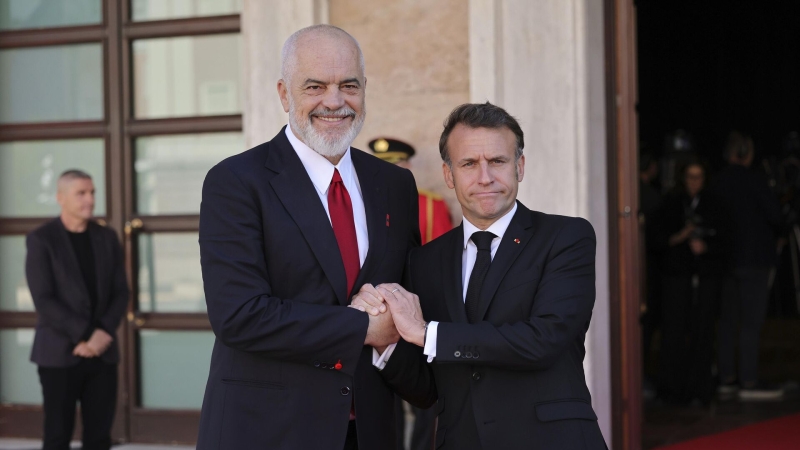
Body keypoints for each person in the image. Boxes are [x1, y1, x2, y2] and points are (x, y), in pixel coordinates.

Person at [196, 25, 420, 450]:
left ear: (365, 90)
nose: (334, 101)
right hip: (269, 432)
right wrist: (361, 327)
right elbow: (239, 315)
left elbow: (407, 297)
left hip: (370, 430)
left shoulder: (394, 184)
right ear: (284, 94)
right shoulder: (236, 182)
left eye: (348, 85)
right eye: (315, 86)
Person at [353, 102, 607, 449]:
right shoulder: (425, 261)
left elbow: (544, 339)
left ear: (519, 166)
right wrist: (385, 341)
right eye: (469, 163)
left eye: (498, 161)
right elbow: (428, 390)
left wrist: (427, 333)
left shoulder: (566, 237)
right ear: (449, 174)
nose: (485, 177)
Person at [25, 169, 129, 450]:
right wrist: (85, 335)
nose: (90, 200)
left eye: (92, 193)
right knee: (57, 436)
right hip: (58, 353)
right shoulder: (41, 239)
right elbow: (44, 299)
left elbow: (121, 292)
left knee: (99, 438)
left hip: (102, 353)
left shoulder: (107, 237)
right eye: (81, 193)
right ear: (61, 197)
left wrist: (102, 333)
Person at [368, 137, 451, 450]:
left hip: (420, 310)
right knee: (383, 395)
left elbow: (441, 261)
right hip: (378, 313)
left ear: (408, 166)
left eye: (397, 166)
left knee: (424, 397)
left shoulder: (429, 205)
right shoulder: (362, 204)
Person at [710, 131, 784, 400]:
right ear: (745, 153)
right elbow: (776, 216)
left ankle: (727, 377)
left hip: (725, 261)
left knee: (727, 321)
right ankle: (749, 381)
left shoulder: (717, 182)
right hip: (754, 261)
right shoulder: (755, 181)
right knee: (751, 323)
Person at [651, 161, 728, 405]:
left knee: (702, 332)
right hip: (676, 277)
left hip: (705, 278)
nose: (694, 182)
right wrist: (680, 237)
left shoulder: (715, 204)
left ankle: (699, 388)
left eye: (699, 176)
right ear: (683, 178)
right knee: (673, 332)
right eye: (690, 176)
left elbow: (727, 240)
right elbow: (658, 239)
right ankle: (671, 389)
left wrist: (706, 247)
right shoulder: (672, 204)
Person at [369, 137, 454, 245]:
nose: (386, 170)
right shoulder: (362, 200)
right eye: (380, 165)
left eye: (394, 163)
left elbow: (443, 249)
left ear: (407, 165)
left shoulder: (430, 205)